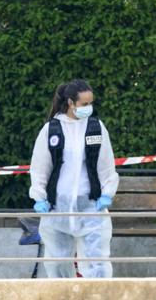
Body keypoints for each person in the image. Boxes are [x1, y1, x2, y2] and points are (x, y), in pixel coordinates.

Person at [29, 79, 119, 278]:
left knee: (98, 263)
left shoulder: (96, 128)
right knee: (57, 263)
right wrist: (40, 197)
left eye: (91, 103)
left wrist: (107, 193)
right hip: (57, 209)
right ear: (71, 103)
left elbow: (106, 165)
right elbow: (40, 167)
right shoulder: (52, 130)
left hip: (90, 208)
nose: (89, 108)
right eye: (84, 104)